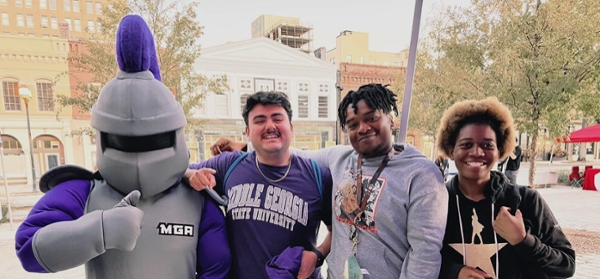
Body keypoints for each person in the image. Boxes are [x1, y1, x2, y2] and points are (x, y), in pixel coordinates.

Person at [15, 15, 230, 278]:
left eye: (154, 140)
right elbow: (29, 248)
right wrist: (99, 231)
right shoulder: (83, 192)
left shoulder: (197, 200)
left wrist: (186, 176)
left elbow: (217, 268)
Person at [209, 84, 448, 279]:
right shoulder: (340, 158)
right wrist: (245, 146)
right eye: (353, 124)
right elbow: (290, 154)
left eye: (372, 118)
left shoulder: (421, 174)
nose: (363, 128)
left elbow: (424, 254)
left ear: (391, 119)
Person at [185, 91, 333, 279]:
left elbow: (338, 230)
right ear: (247, 132)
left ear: (291, 127)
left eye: (277, 119)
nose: (270, 126)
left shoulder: (318, 176)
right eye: (260, 120)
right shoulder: (228, 165)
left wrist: (318, 255)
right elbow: (177, 169)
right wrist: (191, 175)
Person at [435, 97, 575, 279]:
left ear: (500, 151)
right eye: (466, 144)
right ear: (451, 150)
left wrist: (523, 241)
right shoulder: (436, 202)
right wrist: (454, 272)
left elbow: (567, 265)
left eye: (487, 145)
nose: (477, 152)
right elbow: (414, 258)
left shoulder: (527, 200)